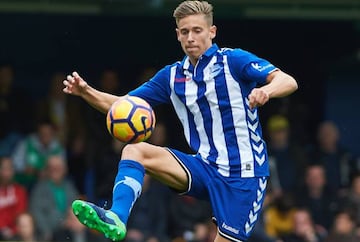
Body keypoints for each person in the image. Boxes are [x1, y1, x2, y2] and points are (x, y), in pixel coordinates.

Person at [63, 1, 298, 241]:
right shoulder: (172, 76)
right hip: (204, 167)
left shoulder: (234, 61)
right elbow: (123, 107)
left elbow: (287, 81)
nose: (190, 37)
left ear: (212, 32)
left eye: (197, 30)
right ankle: (117, 216)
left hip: (244, 175)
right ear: (177, 35)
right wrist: (86, 92)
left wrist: (266, 91)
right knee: (135, 151)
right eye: (185, 32)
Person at [0, 156, 28, 240]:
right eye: (5, 168)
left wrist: (13, 230)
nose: (9, 171)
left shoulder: (20, 191)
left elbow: (20, 213)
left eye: (11, 168)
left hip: (15, 233)